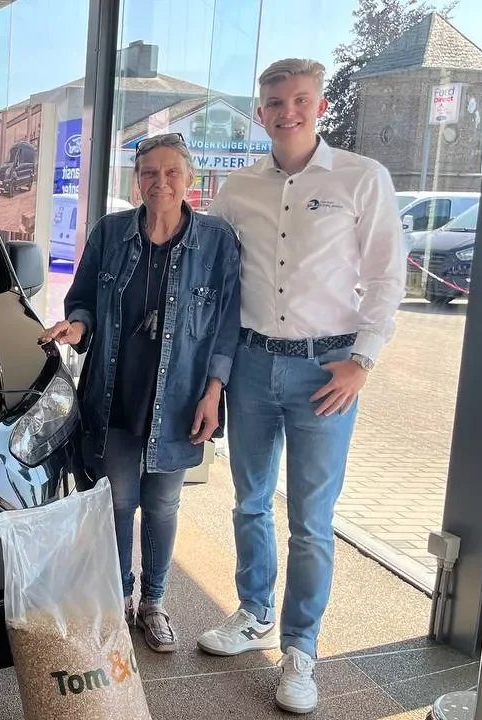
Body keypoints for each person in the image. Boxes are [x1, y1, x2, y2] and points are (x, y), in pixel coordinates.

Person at [196, 58, 406, 715]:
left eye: (300, 100)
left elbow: (387, 276)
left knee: (311, 521)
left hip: (326, 371)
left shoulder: (361, 178)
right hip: (253, 365)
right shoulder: (237, 188)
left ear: (320, 106)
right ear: (259, 113)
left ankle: (300, 649)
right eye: (276, 103)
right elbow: (215, 277)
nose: (288, 112)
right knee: (249, 501)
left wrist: (362, 361)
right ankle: (255, 612)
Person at [40, 133, 242, 653]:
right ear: (137, 180)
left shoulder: (217, 241)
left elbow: (226, 326)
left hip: (179, 398)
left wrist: (214, 392)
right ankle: (119, 598)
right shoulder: (110, 233)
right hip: (116, 393)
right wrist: (77, 327)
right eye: (150, 172)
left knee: (164, 505)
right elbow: (83, 300)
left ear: (190, 179)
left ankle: (154, 602)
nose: (161, 182)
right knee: (118, 502)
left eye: (172, 172)